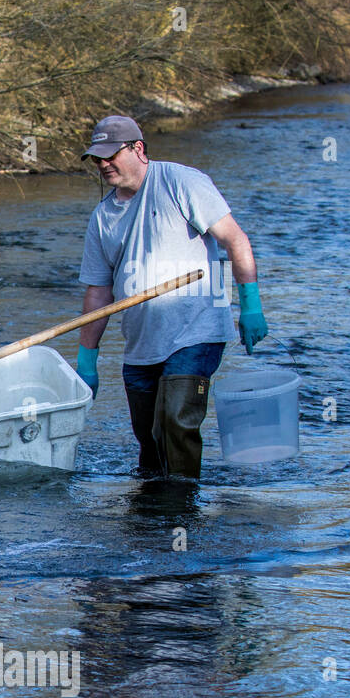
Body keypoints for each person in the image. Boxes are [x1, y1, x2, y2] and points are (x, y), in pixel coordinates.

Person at [74, 115, 267, 478]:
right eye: (97, 159)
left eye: (110, 155)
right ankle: (150, 520)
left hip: (196, 331)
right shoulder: (102, 218)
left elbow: (235, 239)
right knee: (148, 439)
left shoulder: (182, 182)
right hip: (141, 344)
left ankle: (181, 510)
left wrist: (251, 305)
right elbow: (99, 292)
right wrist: (87, 359)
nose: (103, 165)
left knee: (176, 424)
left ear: (138, 149)